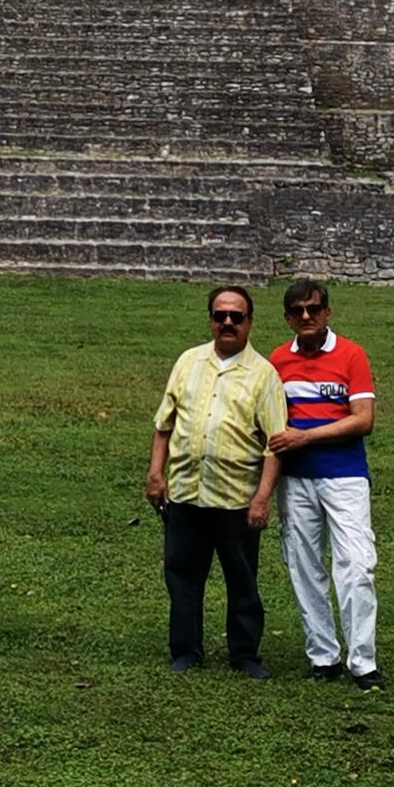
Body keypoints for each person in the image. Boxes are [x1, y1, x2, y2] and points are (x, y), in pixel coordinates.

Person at [148, 284, 286, 675]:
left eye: (236, 317)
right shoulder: (188, 362)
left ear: (250, 322)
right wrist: (155, 474)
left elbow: (274, 445)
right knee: (183, 577)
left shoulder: (264, 375)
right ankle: (186, 650)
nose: (228, 323)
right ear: (210, 320)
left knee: (242, 580)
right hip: (187, 493)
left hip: (236, 499)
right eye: (220, 315)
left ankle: (244, 654)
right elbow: (164, 426)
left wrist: (262, 499)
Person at [266, 278, 380, 687]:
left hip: (345, 475)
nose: (306, 316)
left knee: (357, 565)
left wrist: (306, 436)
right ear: (288, 318)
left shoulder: (351, 355)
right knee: (304, 566)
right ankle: (323, 656)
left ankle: (363, 660)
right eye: (297, 311)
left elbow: (363, 419)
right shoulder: (278, 361)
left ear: (327, 312)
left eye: (314, 309)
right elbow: (271, 423)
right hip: (296, 479)